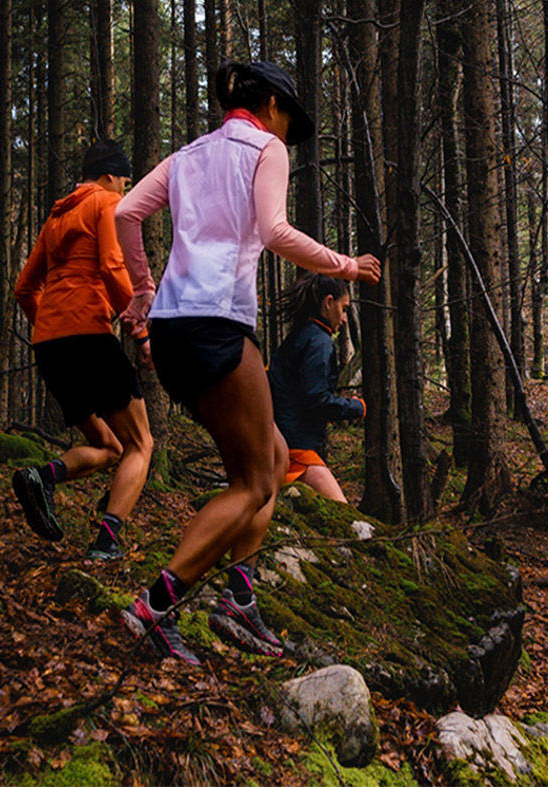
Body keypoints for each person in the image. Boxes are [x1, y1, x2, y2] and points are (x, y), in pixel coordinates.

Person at [113, 60, 381, 665]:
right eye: (289, 119)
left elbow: (125, 213)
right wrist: (345, 265)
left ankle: (238, 595)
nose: (288, 133)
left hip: (174, 327)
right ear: (271, 107)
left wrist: (143, 290)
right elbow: (275, 230)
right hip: (216, 325)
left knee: (276, 459)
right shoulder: (265, 149)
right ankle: (154, 607)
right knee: (259, 481)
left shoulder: (189, 155)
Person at [11, 139, 154, 562]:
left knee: (111, 447)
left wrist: (53, 327)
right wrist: (140, 327)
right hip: (89, 339)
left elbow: (24, 289)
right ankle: (107, 542)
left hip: (50, 346)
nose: (126, 193)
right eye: (125, 183)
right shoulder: (105, 204)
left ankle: (41, 476)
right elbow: (112, 266)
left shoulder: (56, 218)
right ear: (110, 175)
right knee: (141, 444)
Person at [268, 273, 365, 503]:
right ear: (328, 303)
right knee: (345, 517)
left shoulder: (299, 336)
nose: (343, 319)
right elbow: (316, 399)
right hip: (298, 453)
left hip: (282, 445)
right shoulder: (319, 343)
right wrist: (356, 407)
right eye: (343, 309)